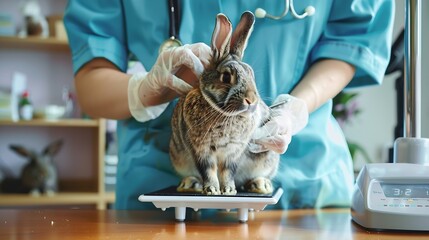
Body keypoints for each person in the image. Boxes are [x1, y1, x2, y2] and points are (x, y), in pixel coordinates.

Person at [64, 1, 394, 210]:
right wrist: (147, 90)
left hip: (302, 185)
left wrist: (295, 109)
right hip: (161, 184)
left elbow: (350, 41)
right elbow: (92, 76)